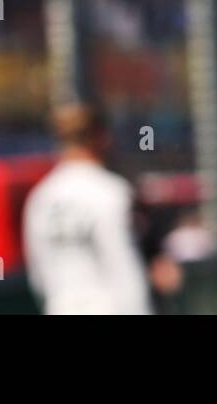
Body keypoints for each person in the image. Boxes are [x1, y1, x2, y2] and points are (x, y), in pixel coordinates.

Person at [22, 103, 153, 314]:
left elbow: (38, 275)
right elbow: (123, 266)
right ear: (101, 138)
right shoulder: (111, 191)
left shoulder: (41, 196)